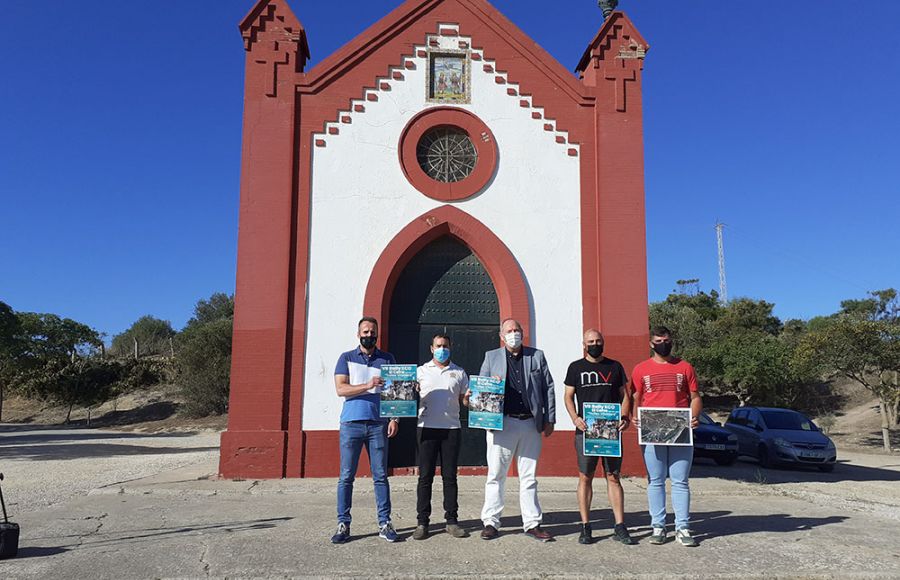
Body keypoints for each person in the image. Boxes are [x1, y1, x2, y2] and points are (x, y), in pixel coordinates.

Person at [469, 318, 556, 542]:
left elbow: (548, 387)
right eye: (509, 330)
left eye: (516, 330)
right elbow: (480, 387)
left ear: (523, 333)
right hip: (502, 424)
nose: (513, 333)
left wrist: (550, 419)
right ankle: (490, 522)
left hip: (530, 423)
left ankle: (532, 523)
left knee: (529, 476)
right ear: (501, 335)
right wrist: (478, 392)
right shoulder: (491, 357)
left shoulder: (536, 356)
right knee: (496, 474)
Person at [330, 317, 401, 544]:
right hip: (351, 424)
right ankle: (343, 523)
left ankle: (384, 523)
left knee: (380, 476)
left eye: (372, 332)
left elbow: (397, 392)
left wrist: (395, 418)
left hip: (378, 424)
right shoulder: (346, 358)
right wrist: (367, 385)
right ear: (358, 333)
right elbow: (341, 389)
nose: (369, 335)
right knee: (346, 477)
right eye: (365, 331)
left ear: (377, 335)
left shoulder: (387, 359)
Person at [631, 326, 702, 547]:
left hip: (681, 431)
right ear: (651, 343)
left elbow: (695, 396)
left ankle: (682, 527)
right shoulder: (641, 369)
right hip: (652, 432)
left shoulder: (685, 367)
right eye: (660, 340)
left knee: (680, 481)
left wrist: (695, 415)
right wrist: (634, 417)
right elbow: (635, 396)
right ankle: (658, 526)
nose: (664, 343)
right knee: (656, 481)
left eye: (667, 340)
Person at [563, 329, 635, 545]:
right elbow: (568, 396)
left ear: (603, 342)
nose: (595, 344)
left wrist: (625, 416)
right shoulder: (575, 367)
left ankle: (620, 526)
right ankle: (586, 526)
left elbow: (626, 396)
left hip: (611, 431)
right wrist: (575, 418)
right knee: (585, 477)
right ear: (584, 344)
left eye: (598, 341)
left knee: (613, 477)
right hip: (586, 431)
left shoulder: (615, 367)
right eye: (591, 341)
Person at [413, 333, 470, 540]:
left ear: (451, 347)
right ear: (431, 348)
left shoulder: (460, 372)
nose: (442, 349)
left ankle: (452, 521)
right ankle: (422, 522)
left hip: (451, 429)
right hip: (426, 428)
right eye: (438, 345)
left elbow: (465, 401)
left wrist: (475, 399)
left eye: (445, 345)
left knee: (450, 477)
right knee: (425, 477)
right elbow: (407, 398)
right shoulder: (419, 372)